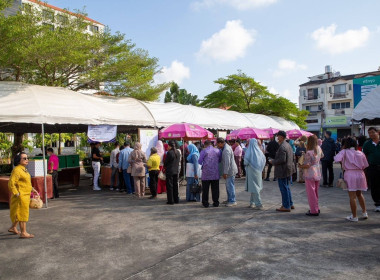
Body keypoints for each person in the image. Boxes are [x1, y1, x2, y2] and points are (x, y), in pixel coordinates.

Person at [335, 137, 369, 222]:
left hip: (350, 174)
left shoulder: (344, 152)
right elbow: (365, 165)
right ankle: (364, 212)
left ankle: (354, 216)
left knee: (352, 197)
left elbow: (336, 159)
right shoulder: (360, 153)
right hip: (361, 173)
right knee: (359, 194)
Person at [8, 152, 39, 238]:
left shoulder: (23, 169)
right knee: (22, 214)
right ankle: (23, 232)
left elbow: (26, 183)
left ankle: (13, 227)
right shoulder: (17, 170)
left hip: (25, 195)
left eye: (27, 158)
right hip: (21, 196)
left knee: (19, 213)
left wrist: (33, 189)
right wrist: (17, 193)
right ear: (19, 160)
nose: (27, 160)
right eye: (24, 158)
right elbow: (11, 183)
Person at [269, 131, 295, 212]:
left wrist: (273, 161)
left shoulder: (283, 146)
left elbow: (282, 159)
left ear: (282, 137)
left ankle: (286, 206)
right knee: (286, 187)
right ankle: (290, 203)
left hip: (283, 170)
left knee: (284, 188)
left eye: (278, 136)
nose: (277, 138)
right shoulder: (287, 145)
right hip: (288, 169)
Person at [299, 135, 324, 216]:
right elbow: (322, 156)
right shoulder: (319, 148)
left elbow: (307, 165)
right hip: (317, 171)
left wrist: (300, 166)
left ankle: (313, 210)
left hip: (310, 173)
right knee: (315, 192)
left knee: (311, 193)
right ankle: (316, 208)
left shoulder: (309, 152)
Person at [244, 139, 266, 210]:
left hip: (251, 171)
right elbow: (264, 160)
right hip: (258, 171)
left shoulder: (249, 151)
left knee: (254, 187)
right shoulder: (259, 151)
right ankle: (252, 202)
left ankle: (258, 203)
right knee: (256, 186)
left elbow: (246, 162)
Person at [199, 140, 222, 208]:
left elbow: (200, 161)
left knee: (205, 189)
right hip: (215, 173)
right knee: (215, 189)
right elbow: (220, 160)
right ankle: (216, 202)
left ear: (205, 145)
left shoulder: (204, 151)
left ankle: (205, 203)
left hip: (206, 173)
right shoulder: (217, 151)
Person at [362, 127, 380, 212]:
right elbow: (363, 156)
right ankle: (377, 203)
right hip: (372, 167)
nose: (371, 134)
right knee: (374, 186)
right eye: (369, 133)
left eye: (373, 132)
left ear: (378, 132)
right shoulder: (367, 144)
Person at [217, 137, 238, 207]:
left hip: (230, 171)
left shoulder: (226, 150)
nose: (217, 146)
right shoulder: (225, 148)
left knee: (230, 186)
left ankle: (232, 200)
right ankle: (229, 199)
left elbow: (227, 163)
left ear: (220, 143)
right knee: (228, 186)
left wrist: (225, 172)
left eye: (218, 144)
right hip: (230, 170)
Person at [164, 140, 181, 205]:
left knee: (170, 186)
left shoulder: (169, 153)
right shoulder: (178, 152)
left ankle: (170, 200)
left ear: (169, 145)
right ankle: (176, 199)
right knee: (175, 185)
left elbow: (166, 162)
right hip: (176, 171)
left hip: (170, 171)